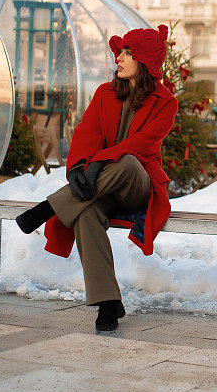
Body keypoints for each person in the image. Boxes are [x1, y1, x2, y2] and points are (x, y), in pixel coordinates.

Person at [14, 25, 178, 331]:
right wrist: (78, 168)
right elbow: (86, 131)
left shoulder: (165, 101)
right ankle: (107, 303)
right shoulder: (105, 93)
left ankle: (48, 207)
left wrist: (97, 163)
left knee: (128, 161)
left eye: (128, 52)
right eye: (121, 51)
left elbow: (144, 145)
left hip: (136, 185)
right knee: (86, 213)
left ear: (144, 60)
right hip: (99, 188)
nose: (120, 57)